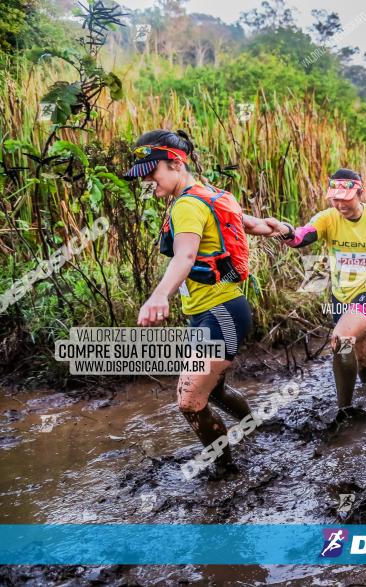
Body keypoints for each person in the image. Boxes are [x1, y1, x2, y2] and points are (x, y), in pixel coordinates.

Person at [126, 129, 281, 474]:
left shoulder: (186, 205)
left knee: (190, 401)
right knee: (213, 391)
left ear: (176, 163)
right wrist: (277, 227)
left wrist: (158, 295)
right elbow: (251, 225)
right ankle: (258, 430)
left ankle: (224, 470)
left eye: (153, 172)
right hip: (211, 312)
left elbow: (185, 257)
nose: (148, 181)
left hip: (219, 313)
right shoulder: (212, 195)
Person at [276, 169, 366, 415]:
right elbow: (301, 237)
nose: (339, 204)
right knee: (364, 358)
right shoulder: (327, 218)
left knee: (341, 339)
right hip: (341, 296)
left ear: (360, 192)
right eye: (334, 198)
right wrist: (284, 230)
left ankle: (344, 412)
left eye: (345, 197)